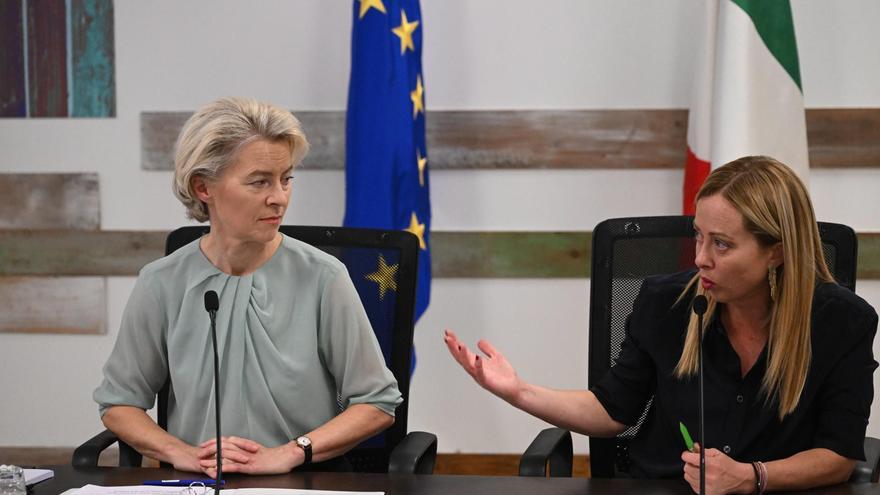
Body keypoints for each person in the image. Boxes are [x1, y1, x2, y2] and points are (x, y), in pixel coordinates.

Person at [445, 156, 877, 493]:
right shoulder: (665, 302)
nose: (701, 258)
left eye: (722, 244)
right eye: (699, 236)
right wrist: (519, 391)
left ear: (776, 253)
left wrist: (752, 477)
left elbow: (838, 454)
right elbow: (612, 411)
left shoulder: (842, 322)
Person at [94, 97, 402, 477]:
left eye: (286, 179)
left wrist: (292, 452)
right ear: (203, 188)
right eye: (260, 182)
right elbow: (118, 403)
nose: (280, 198)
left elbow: (378, 402)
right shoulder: (162, 282)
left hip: (300, 480)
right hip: (198, 483)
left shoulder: (324, 277)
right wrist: (182, 452)